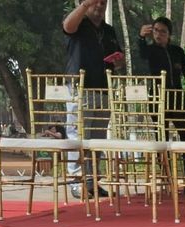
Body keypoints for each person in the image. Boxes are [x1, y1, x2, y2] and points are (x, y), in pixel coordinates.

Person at [63, 0, 121, 197]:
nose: (99, 6)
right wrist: (83, 7)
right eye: (94, 2)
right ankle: (77, 181)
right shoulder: (79, 23)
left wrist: (118, 61)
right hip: (81, 87)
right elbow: (67, 26)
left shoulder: (109, 30)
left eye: (102, 3)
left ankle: (93, 181)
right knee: (78, 135)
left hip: (103, 88)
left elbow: (118, 60)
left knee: (97, 138)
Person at [138, 16, 185, 179]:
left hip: (177, 98)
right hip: (157, 98)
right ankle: (166, 177)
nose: (158, 34)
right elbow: (141, 53)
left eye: (163, 31)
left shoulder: (177, 51)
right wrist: (141, 38)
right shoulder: (150, 50)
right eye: (155, 30)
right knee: (161, 137)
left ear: (169, 34)